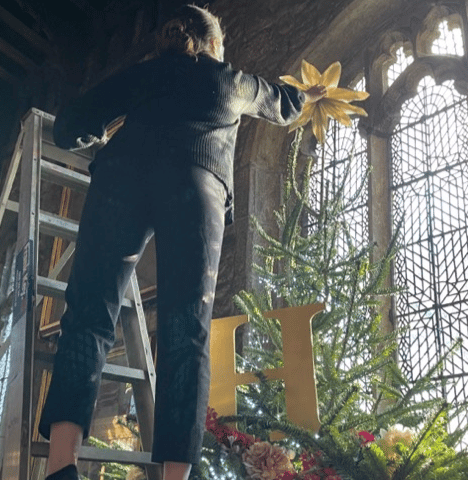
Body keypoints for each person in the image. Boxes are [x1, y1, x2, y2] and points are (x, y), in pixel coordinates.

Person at [38, 5, 326, 480]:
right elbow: (284, 102)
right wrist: (307, 94)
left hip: (121, 178)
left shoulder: (144, 73)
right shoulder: (231, 81)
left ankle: (61, 464)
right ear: (215, 45)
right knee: (185, 332)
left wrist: (103, 132)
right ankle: (174, 476)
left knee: (88, 313)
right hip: (196, 188)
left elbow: (70, 127)